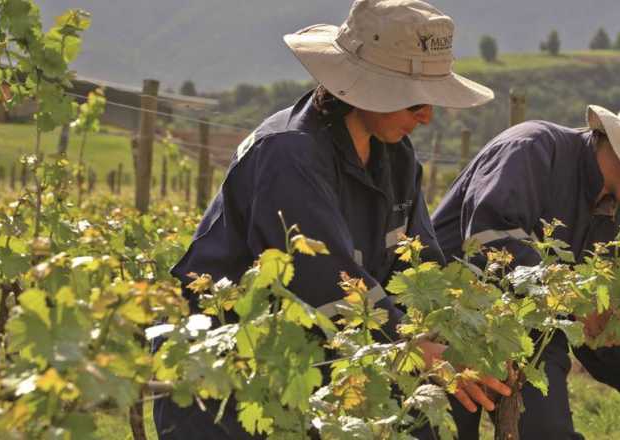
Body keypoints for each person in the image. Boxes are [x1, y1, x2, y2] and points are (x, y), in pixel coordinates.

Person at [153, 1, 509, 438]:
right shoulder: (288, 154)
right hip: (232, 384)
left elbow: (419, 265)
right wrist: (414, 348)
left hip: (329, 363)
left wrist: (465, 327)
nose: (427, 116)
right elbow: (327, 281)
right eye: (415, 100)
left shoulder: (395, 155)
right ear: (364, 90)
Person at [431, 88, 620, 438]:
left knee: (549, 433)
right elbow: (488, 239)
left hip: (534, 336)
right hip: (451, 323)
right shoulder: (531, 149)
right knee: (445, 432)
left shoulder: (618, 226)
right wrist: (573, 299)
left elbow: (596, 322)